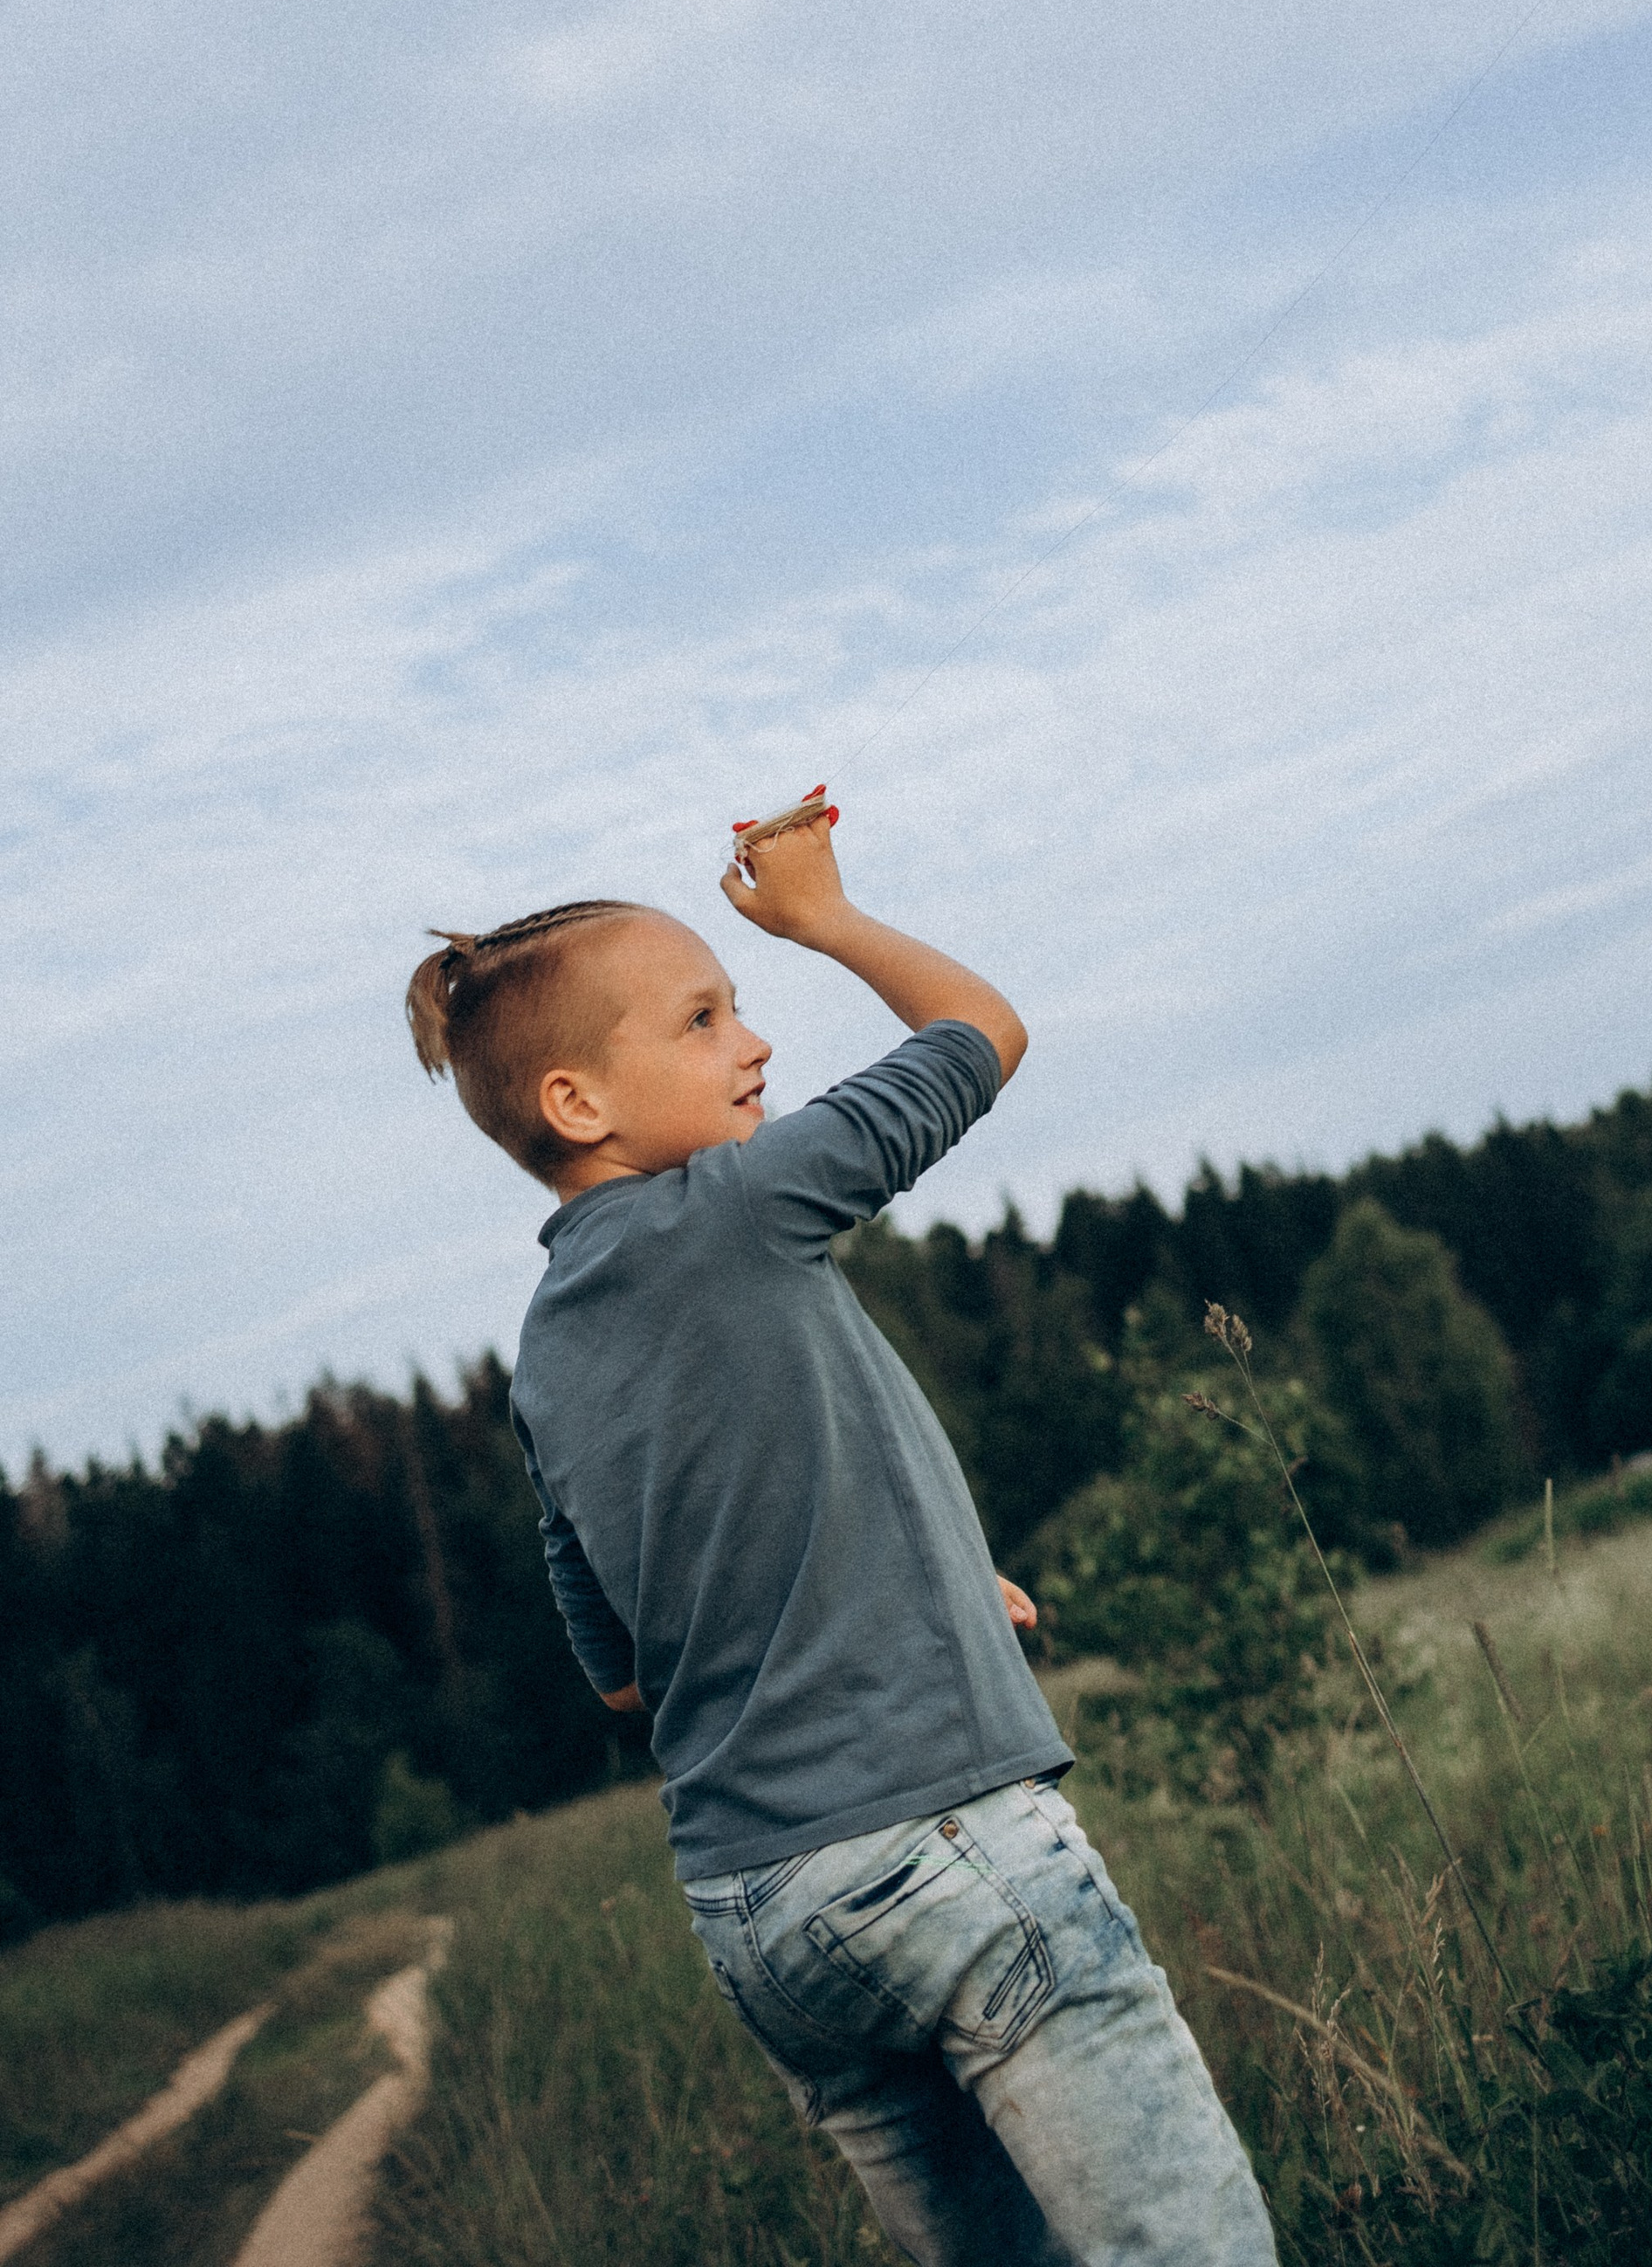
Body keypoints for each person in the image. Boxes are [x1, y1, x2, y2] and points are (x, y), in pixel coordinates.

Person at [404, 794, 1277, 2267]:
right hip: (944, 1847)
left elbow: (626, 1675)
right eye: (701, 1019)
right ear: (576, 1104)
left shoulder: (544, 1361)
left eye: (742, 1004)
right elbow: (977, 1035)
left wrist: (914, 1576)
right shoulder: (735, 1213)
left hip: (761, 1915)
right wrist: (821, 916)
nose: (753, 1044)